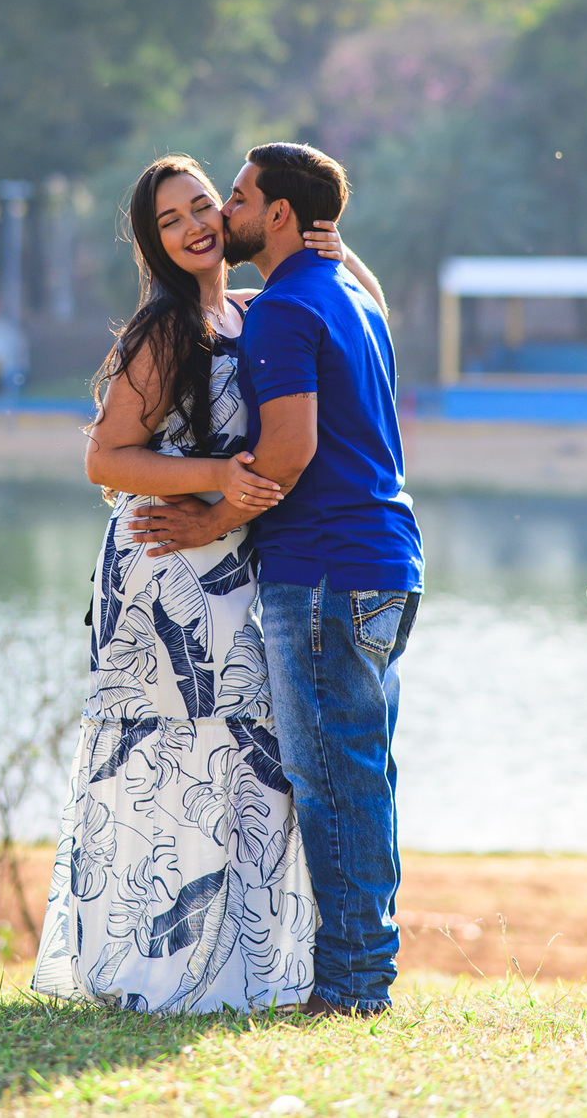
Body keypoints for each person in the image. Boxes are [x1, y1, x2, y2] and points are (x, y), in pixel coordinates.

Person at [31, 153, 386, 1012]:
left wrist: (337, 247)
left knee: (250, 754)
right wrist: (217, 480)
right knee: (166, 756)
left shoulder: (256, 309)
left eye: (203, 205)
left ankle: (242, 967)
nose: (195, 224)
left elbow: (362, 307)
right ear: (153, 242)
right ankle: (148, 970)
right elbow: (104, 459)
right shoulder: (163, 331)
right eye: (171, 219)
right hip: (162, 565)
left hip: (235, 565)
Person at [129, 142, 423, 1017]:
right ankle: (361, 970)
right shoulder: (351, 296)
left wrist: (209, 520)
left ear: (280, 215)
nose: (226, 213)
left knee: (332, 778)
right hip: (384, 564)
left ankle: (354, 983)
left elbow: (288, 451)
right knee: (360, 772)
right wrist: (346, 248)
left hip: (326, 571)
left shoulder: (286, 308)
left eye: (239, 197)